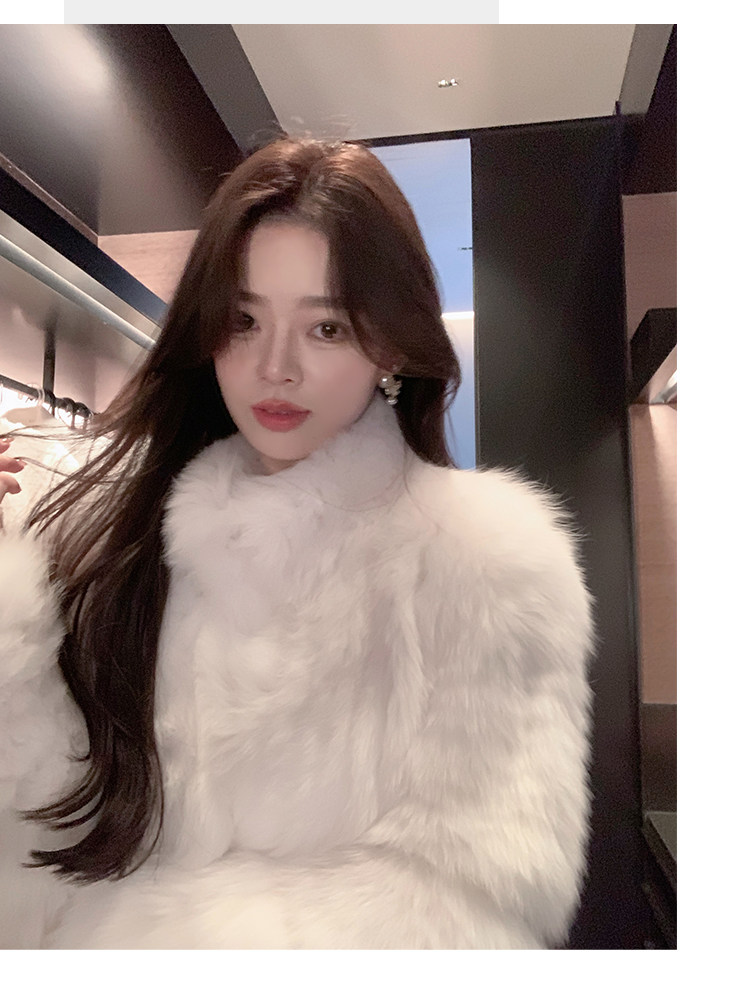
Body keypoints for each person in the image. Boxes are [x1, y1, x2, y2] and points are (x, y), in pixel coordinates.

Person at [0, 136, 593, 949]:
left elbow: (471, 905)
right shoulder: (113, 534)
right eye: (244, 320)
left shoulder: (485, 562)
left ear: (390, 344)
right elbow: (41, 820)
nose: (275, 367)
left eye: (326, 327)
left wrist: (142, 940)